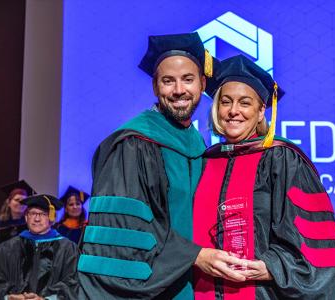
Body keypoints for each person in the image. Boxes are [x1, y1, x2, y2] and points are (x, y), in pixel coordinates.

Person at [77, 32, 242, 299]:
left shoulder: (199, 145)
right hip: (154, 291)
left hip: (200, 285)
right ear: (155, 87)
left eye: (188, 79)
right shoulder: (133, 144)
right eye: (168, 81)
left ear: (202, 83)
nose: (179, 90)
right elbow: (127, 231)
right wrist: (195, 255)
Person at [192, 54, 335, 299]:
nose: (233, 111)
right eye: (226, 102)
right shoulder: (205, 161)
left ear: (261, 110)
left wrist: (273, 267)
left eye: (244, 103)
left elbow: (316, 249)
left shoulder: (282, 159)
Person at [0, 194, 79, 300]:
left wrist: (46, 299)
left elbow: (74, 286)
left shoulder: (67, 249)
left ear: (52, 218)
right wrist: (8, 297)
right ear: (26, 217)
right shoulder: (6, 249)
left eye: (43, 214)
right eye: (33, 213)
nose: (37, 219)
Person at [0, 180, 35, 265]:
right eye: (17, 200)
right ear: (9, 202)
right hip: (0, 266)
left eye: (23, 200)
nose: (20, 203)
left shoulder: (32, 227)